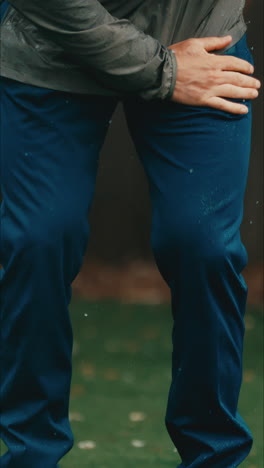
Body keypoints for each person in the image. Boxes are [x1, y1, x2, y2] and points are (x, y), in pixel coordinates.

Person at [0, 1, 261, 467]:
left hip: (200, 39)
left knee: (203, 245)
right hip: (52, 41)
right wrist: (163, 69)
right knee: (38, 240)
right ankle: (30, 455)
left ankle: (215, 456)